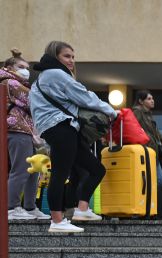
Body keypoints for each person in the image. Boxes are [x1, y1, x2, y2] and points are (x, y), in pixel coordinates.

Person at [30, 41, 116, 233]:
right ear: (55, 57)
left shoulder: (44, 77)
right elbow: (84, 96)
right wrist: (110, 110)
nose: (71, 61)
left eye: (73, 56)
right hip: (60, 127)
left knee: (96, 169)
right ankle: (57, 221)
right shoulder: (55, 74)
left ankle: (82, 210)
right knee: (60, 174)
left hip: (63, 128)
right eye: (67, 56)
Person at [1, 49, 49, 220]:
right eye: (21, 66)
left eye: (27, 67)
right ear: (9, 67)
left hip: (25, 130)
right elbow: (33, 101)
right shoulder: (9, 83)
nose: (26, 70)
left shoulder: (17, 83)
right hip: (16, 130)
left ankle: (29, 206)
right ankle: (12, 207)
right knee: (21, 169)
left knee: (33, 169)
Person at [132, 90, 162, 188]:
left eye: (152, 98)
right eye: (149, 99)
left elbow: (156, 133)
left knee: (158, 181)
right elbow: (133, 128)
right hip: (145, 151)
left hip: (153, 151)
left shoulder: (148, 115)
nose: (152, 101)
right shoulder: (137, 112)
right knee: (155, 180)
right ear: (141, 101)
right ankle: (148, 202)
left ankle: (150, 202)